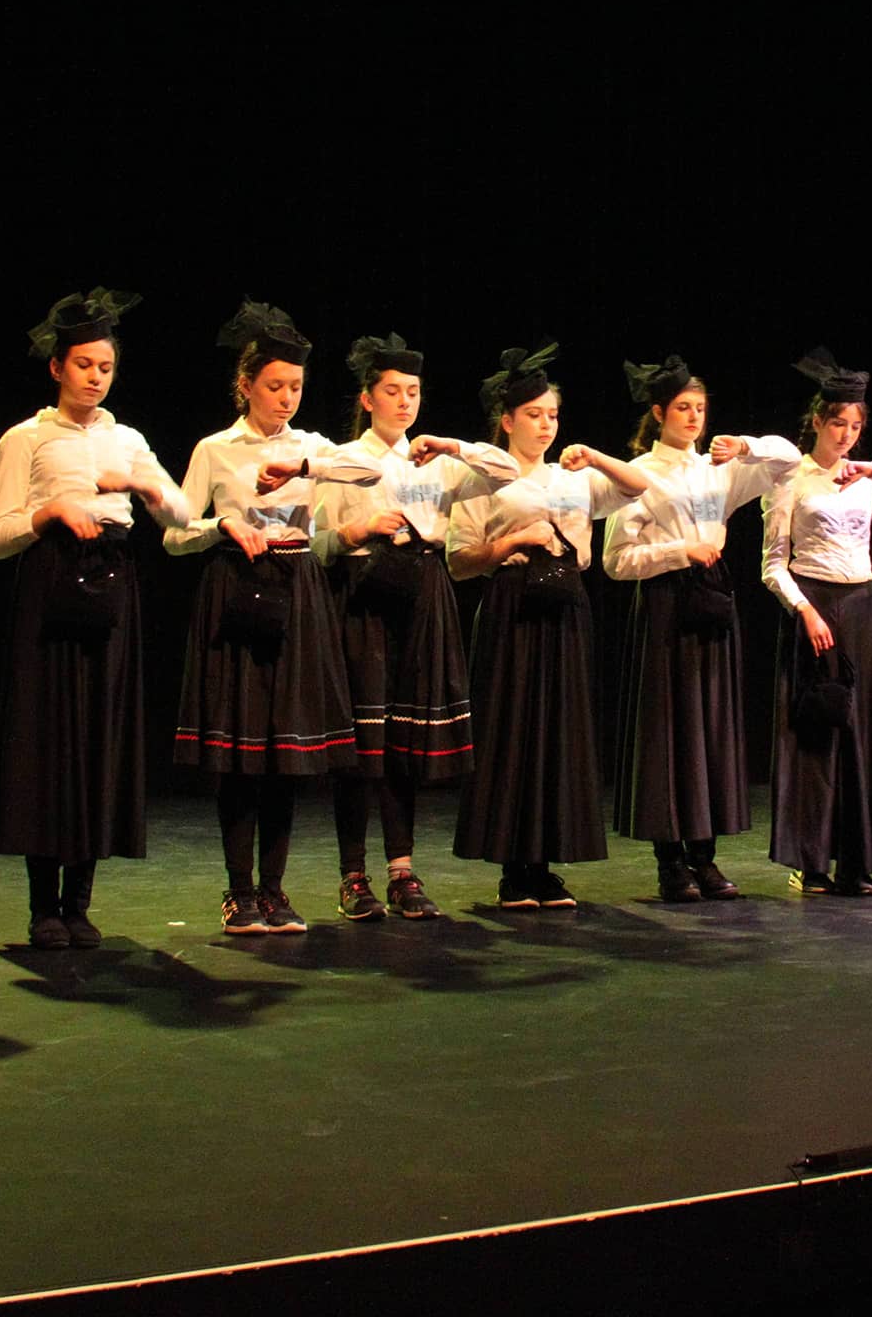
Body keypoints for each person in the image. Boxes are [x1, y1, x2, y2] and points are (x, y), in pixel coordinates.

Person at [0, 289, 190, 947]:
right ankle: (43, 904)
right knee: (48, 740)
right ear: (57, 368)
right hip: (50, 582)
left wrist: (145, 485)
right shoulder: (27, 437)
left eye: (105, 367)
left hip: (112, 583)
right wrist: (50, 512)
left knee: (99, 736)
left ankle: (80, 901)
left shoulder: (127, 438)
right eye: (83, 365)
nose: (95, 377)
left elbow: (180, 512)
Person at [165, 300, 379, 935]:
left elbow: (369, 468)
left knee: (287, 750)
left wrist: (304, 465)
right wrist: (219, 524)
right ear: (247, 385)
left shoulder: (312, 445)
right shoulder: (216, 448)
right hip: (236, 585)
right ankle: (239, 892)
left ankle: (276, 890)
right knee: (242, 752)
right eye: (275, 386)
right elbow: (174, 534)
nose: (286, 398)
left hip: (299, 590)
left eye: (296, 387)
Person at [313, 333, 517, 920]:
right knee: (362, 745)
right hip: (364, 593)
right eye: (393, 392)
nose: (405, 403)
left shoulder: (437, 462)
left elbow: (505, 470)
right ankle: (354, 873)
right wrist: (359, 530)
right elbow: (320, 545)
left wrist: (454, 445)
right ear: (367, 397)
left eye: (414, 393)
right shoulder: (344, 460)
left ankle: (402, 868)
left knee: (403, 741)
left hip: (423, 591)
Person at [446, 344, 651, 908]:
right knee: (514, 731)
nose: (545, 426)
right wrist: (514, 539)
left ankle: (545, 864)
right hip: (512, 604)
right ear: (507, 421)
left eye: (552, 415)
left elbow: (638, 486)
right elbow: (460, 561)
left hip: (566, 606)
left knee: (561, 733)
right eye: (533, 415)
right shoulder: (482, 479)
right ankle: (514, 867)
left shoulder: (574, 478)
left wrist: (598, 457)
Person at [604, 355, 800, 903]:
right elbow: (616, 560)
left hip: (713, 600)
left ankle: (705, 857)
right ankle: (670, 862)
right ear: (659, 412)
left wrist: (745, 446)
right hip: (667, 604)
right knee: (670, 731)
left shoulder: (718, 468)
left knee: (709, 730)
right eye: (683, 408)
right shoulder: (642, 472)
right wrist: (678, 551)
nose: (693, 417)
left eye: (700, 408)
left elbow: (789, 460)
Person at [761, 347, 872, 896]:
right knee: (816, 731)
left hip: (862, 608)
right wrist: (805, 610)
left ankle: (858, 859)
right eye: (838, 423)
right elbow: (770, 566)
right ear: (817, 420)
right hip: (813, 604)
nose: (846, 435)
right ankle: (811, 862)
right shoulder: (790, 479)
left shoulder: (865, 479)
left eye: (855, 426)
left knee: (862, 732)